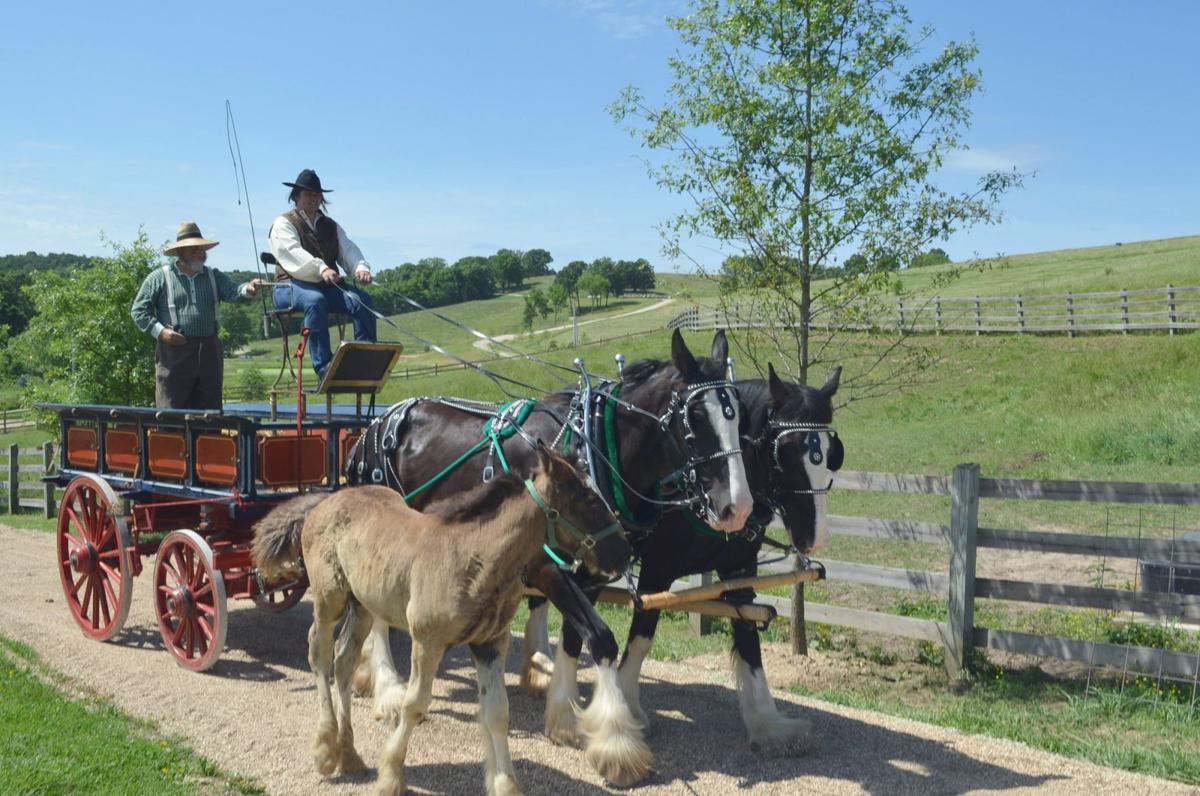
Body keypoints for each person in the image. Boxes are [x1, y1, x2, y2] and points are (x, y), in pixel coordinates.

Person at [131, 222, 263, 409]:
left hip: (209, 350)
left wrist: (249, 289)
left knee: (210, 412)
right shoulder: (160, 278)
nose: (200, 252)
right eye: (194, 249)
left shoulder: (213, 276)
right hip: (174, 353)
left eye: (201, 248)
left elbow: (234, 291)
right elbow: (138, 310)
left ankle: (208, 439)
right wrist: (161, 333)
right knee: (171, 410)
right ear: (180, 253)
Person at [268, 169, 377, 379]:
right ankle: (325, 367)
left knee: (361, 300)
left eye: (317, 194)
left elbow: (348, 249)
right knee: (314, 300)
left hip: (325, 286)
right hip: (289, 286)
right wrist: (321, 268)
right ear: (296, 196)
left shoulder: (330, 225)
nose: (314, 198)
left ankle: (364, 360)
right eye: (308, 194)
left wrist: (360, 267)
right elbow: (291, 252)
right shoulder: (284, 223)